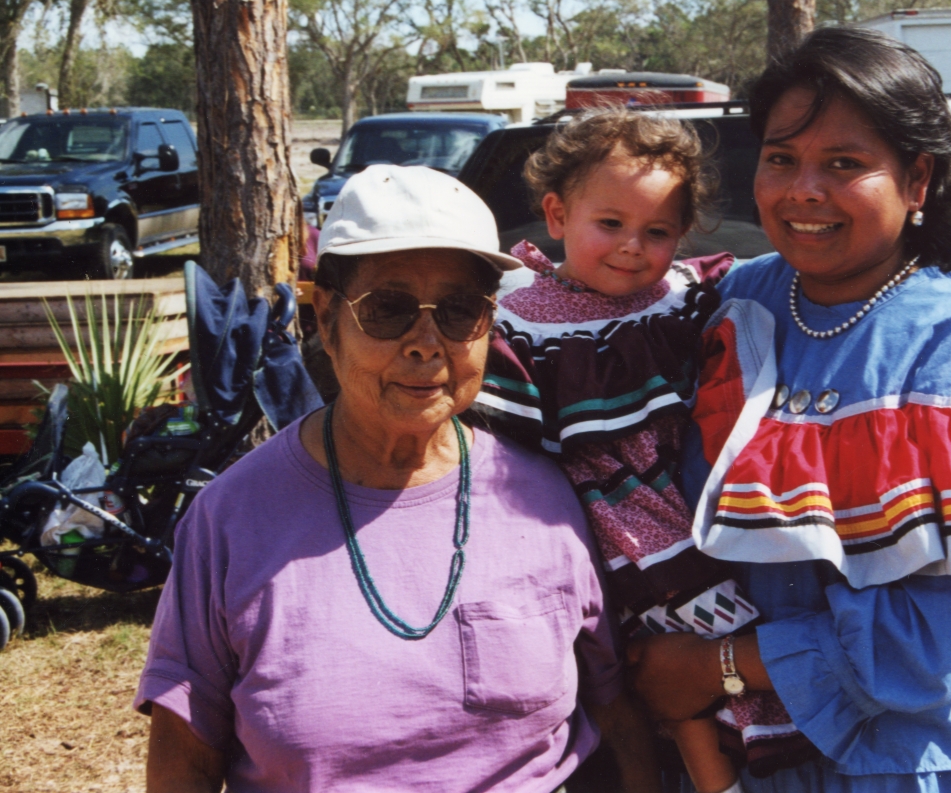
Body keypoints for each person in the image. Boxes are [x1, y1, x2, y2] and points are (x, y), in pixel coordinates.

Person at [626, 27, 951, 792]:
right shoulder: (739, 300)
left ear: (918, 180)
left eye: (845, 164)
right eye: (781, 158)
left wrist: (711, 667)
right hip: (746, 759)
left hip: (898, 764)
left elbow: (934, 644)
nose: (804, 191)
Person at [136, 165, 657, 793]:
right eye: (387, 309)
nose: (426, 343)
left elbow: (614, 711)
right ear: (326, 318)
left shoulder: (544, 499)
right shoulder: (232, 519)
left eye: (460, 311)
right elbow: (184, 760)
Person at [475, 108, 802, 793]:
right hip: (607, 523)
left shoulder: (680, 297)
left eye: (657, 232)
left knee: (701, 650)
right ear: (557, 215)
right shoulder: (522, 319)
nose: (632, 247)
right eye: (611, 224)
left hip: (687, 502)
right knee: (643, 660)